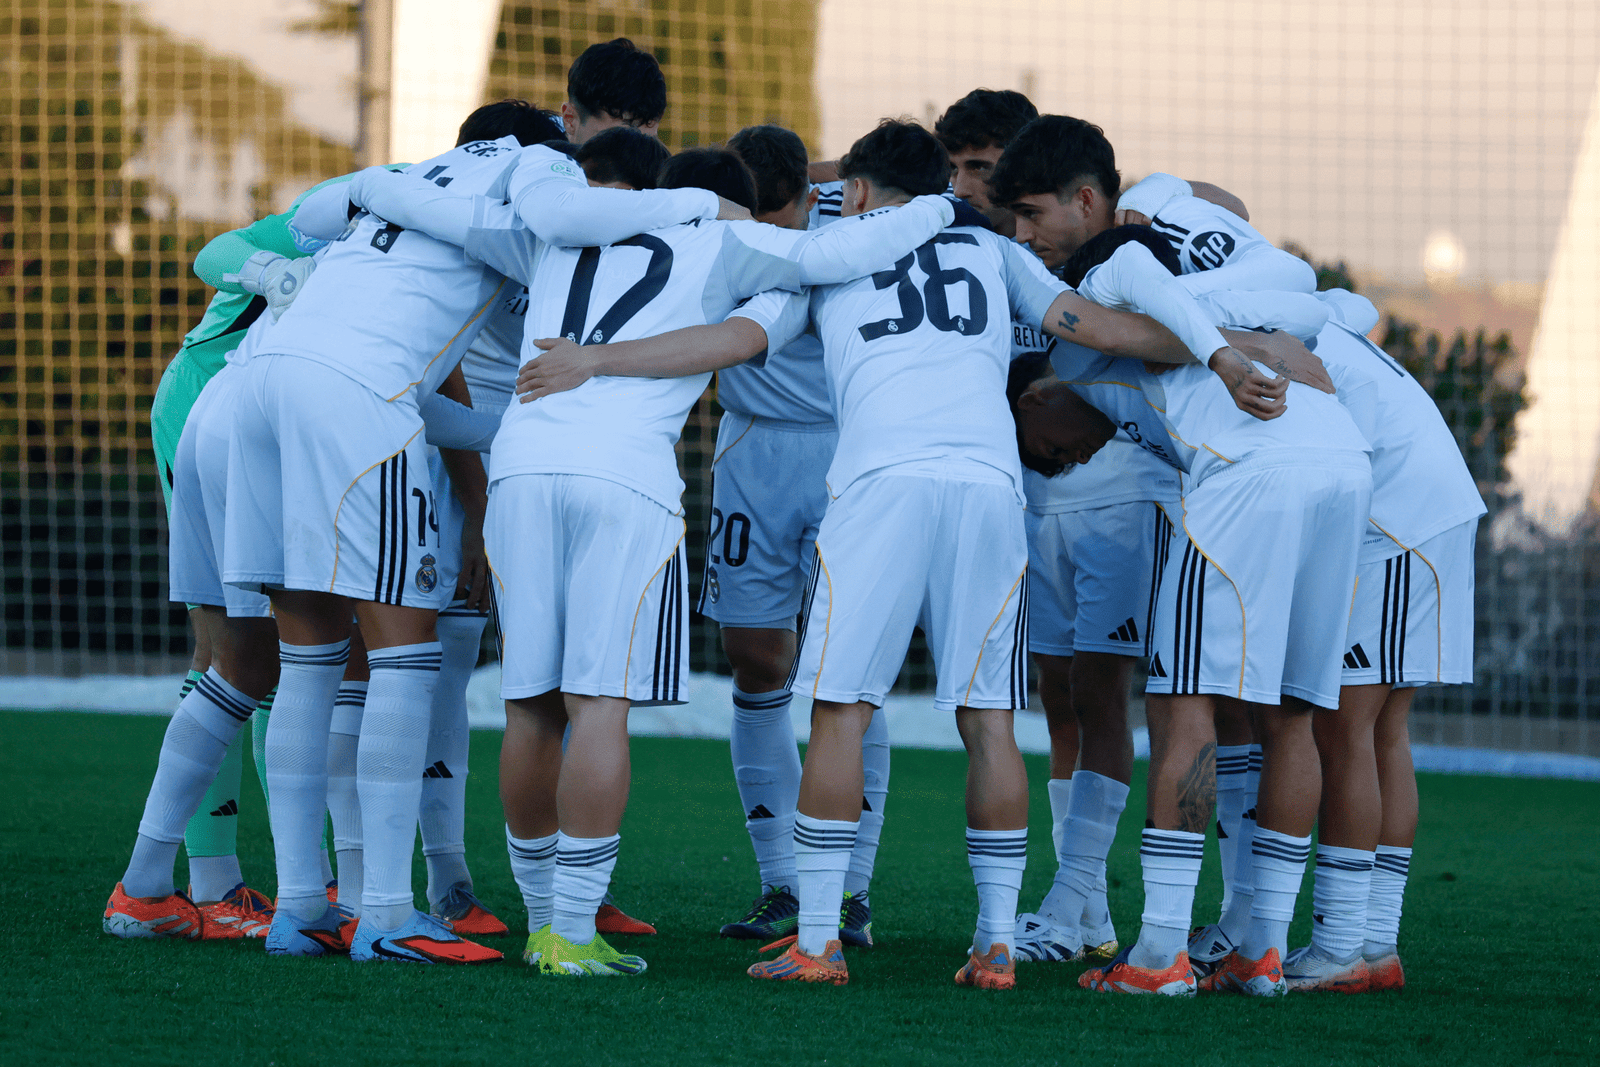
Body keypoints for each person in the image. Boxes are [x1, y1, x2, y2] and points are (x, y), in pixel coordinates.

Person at [517, 122, 1257, 989]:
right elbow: (1101, 327)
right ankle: (994, 943)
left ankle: (818, 940)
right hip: (988, 488)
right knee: (988, 720)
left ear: (860, 191)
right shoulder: (995, 253)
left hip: (880, 485)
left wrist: (596, 361)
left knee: (841, 709)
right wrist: (1232, 351)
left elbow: (732, 342)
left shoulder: (829, 255)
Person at [359, 138, 955, 976]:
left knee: (529, 704)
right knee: (600, 703)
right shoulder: (732, 238)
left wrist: (363, 186)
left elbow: (434, 211)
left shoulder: (557, 232)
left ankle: (541, 923)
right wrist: (942, 204)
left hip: (522, 469)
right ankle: (573, 929)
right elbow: (839, 256)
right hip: (625, 478)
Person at [228, 113, 737, 964]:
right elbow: (568, 219)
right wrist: (696, 202)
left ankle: (303, 906)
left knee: (310, 658)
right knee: (405, 656)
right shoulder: (545, 176)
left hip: (257, 380)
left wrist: (375, 186)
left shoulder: (412, 171)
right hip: (364, 394)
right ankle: (387, 912)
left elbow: (310, 215)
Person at [1008, 226, 1372, 996]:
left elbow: (1134, 268)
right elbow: (1317, 296)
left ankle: (1161, 950)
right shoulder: (1225, 314)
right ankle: (1262, 949)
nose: (1062, 461)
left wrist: (1224, 354)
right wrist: (1245, 336)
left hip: (1251, 471)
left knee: (1182, 705)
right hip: (1342, 465)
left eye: (1044, 451)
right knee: (1292, 715)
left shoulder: (1080, 343)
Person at [101, 147, 416, 941]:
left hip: (282, 422)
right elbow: (217, 250)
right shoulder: (366, 205)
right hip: (216, 408)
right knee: (238, 649)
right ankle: (213, 882)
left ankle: (297, 883)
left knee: (296, 650)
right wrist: (278, 275)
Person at [1176, 286, 1484, 992]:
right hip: (1419, 510)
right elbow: (1356, 306)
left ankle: (1346, 946)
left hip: (1399, 520)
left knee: (1346, 728)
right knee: (1378, 732)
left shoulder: (1235, 329)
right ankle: (1370, 944)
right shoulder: (1284, 313)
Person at [703, 123, 888, 949]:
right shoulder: (713, 213)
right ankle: (781, 879)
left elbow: (906, 168)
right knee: (754, 656)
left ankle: (850, 889)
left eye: (782, 216)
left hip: (850, 451)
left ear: (809, 198)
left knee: (849, 667)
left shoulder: (853, 210)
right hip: (752, 446)